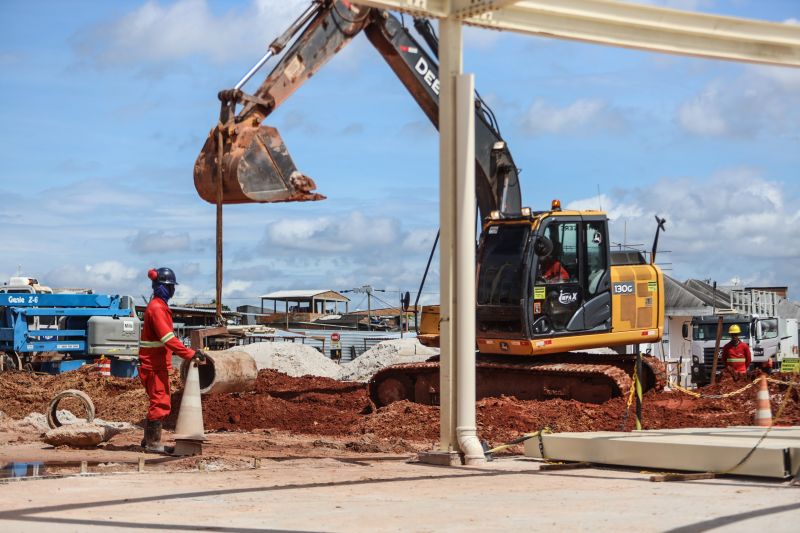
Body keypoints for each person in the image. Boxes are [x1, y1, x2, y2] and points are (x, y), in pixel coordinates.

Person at [139, 267, 206, 453]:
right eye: (170, 287)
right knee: (160, 403)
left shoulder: (158, 306)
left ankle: (148, 441)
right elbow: (167, 338)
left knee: (160, 401)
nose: (172, 290)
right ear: (163, 287)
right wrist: (190, 354)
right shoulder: (157, 308)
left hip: (155, 364)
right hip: (153, 365)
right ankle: (152, 444)